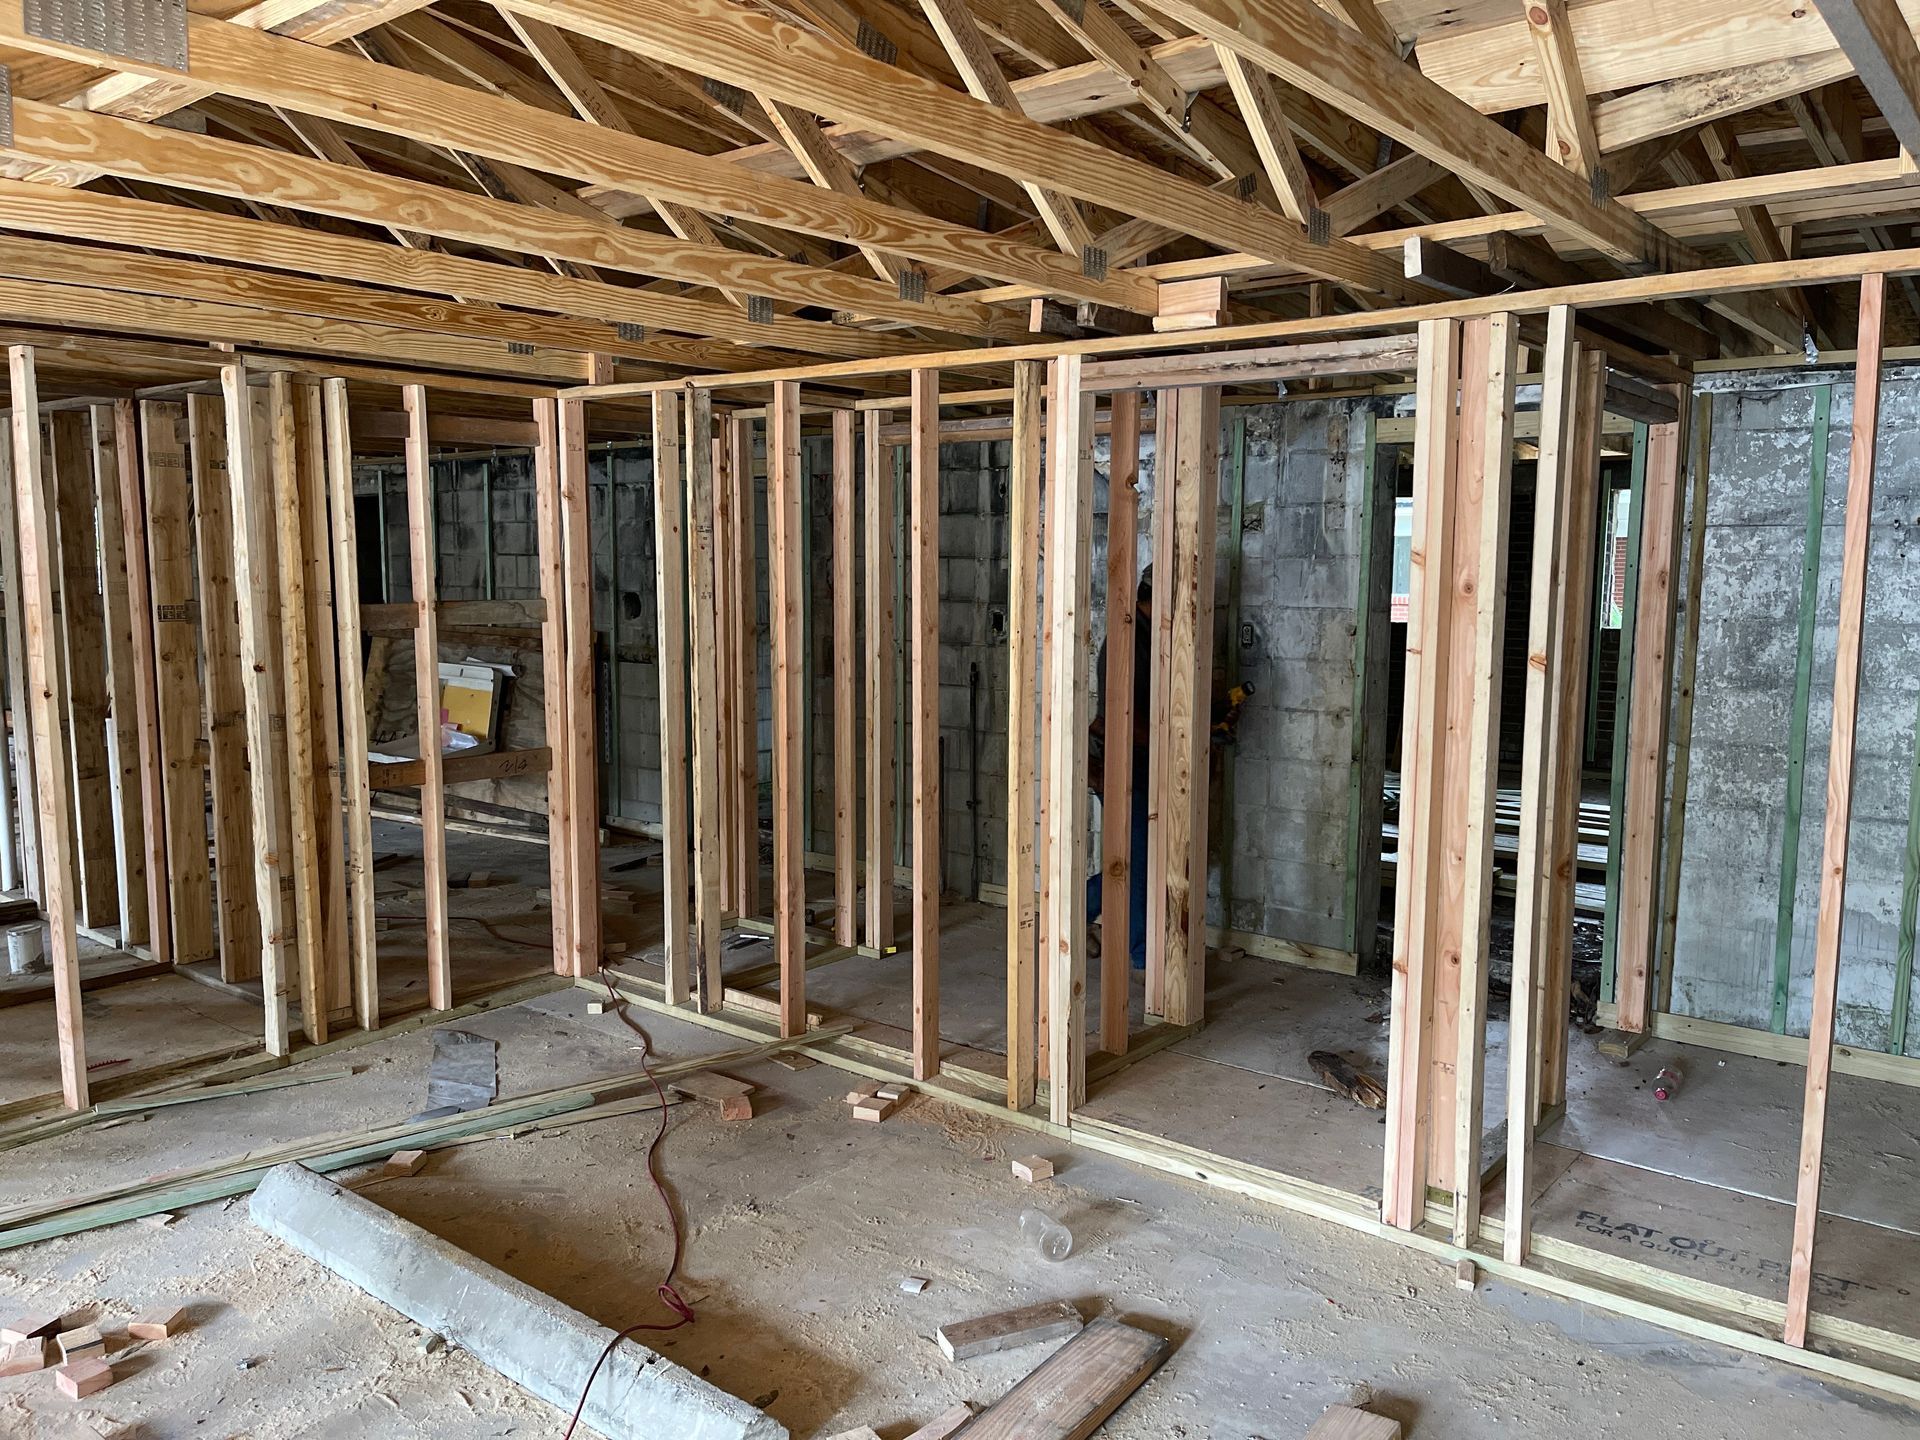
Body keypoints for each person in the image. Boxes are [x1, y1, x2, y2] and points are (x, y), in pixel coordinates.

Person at [1086, 568, 1155, 972]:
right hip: (1119, 765)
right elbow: (1124, 716)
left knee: (1132, 860)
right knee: (1138, 863)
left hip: (1147, 762)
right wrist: (1184, 734)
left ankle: (1074, 911)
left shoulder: (1156, 635)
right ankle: (1140, 953)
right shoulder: (1128, 640)